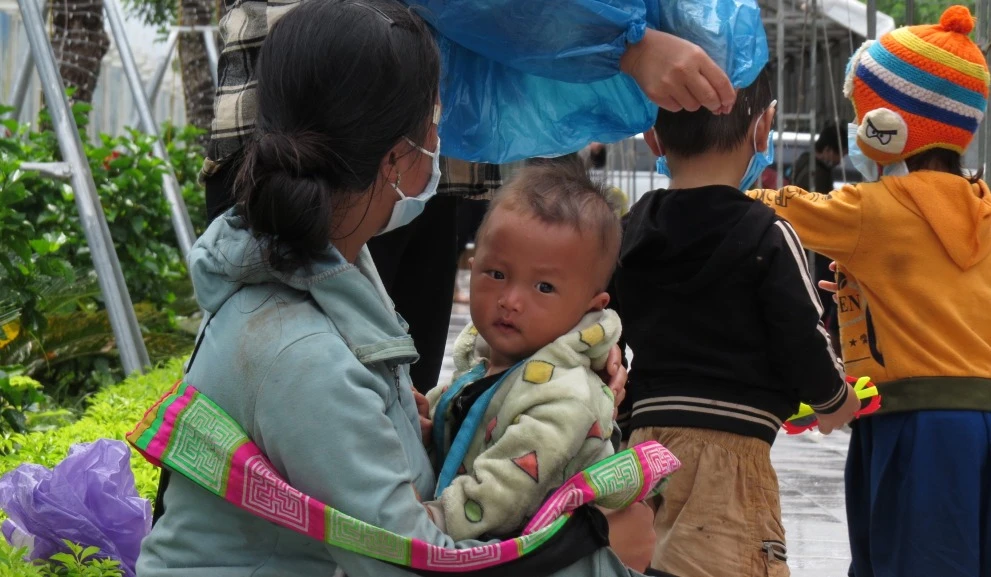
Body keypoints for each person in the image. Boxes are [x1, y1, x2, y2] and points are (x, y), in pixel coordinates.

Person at [136, 2, 639, 575]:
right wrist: (600, 542)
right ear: (398, 160)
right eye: (436, 120)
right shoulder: (302, 353)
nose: (441, 139)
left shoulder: (329, 274)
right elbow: (412, 563)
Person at [201, 0, 739, 394]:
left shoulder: (419, 168)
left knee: (385, 395)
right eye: (495, 274)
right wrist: (624, 41)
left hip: (401, 122)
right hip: (349, 112)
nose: (509, 301)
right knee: (277, 389)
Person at [747, 7, 991, 576]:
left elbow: (774, 209)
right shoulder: (983, 208)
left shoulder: (873, 208)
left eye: (861, 114)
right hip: (979, 419)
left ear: (890, 123)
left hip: (913, 423)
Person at [611, 67, 860, 577]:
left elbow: (605, 331)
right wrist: (836, 400)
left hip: (643, 448)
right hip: (730, 457)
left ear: (653, 136)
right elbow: (801, 333)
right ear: (762, 129)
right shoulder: (768, 233)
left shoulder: (630, 228)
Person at [424, 162, 637, 541]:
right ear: (472, 268)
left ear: (591, 307)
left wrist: (431, 518)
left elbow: (505, 491)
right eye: (497, 274)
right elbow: (476, 413)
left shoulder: (566, 396)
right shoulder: (496, 359)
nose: (511, 300)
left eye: (544, 287)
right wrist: (430, 415)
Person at [789, 121, 850, 346]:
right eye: (840, 154)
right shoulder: (816, 174)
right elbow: (818, 214)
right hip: (813, 248)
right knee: (818, 295)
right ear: (828, 150)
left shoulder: (804, 163)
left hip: (805, 246)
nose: (840, 160)